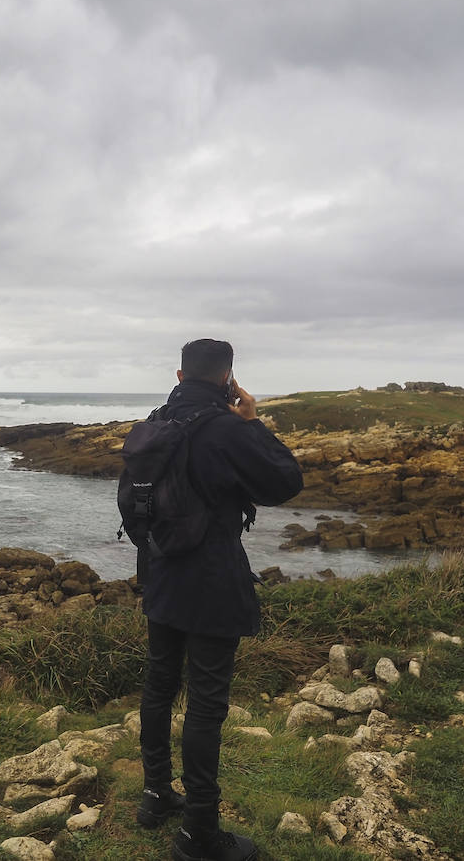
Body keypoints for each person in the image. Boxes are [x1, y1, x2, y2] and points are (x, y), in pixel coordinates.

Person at [133, 338, 304, 861]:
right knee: (206, 704)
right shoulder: (229, 429)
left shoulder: (156, 422)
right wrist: (252, 421)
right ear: (229, 380)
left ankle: (156, 795)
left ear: (180, 376)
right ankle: (199, 833)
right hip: (210, 579)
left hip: (159, 570)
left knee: (161, 683)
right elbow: (285, 482)